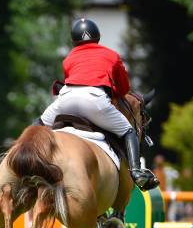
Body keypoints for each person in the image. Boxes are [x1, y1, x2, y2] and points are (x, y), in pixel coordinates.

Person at [38, 18, 158, 191]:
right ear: (97, 36)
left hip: (66, 99)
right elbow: (124, 88)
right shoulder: (111, 55)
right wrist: (114, 95)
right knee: (129, 131)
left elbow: (73, 79)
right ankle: (137, 173)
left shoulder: (69, 58)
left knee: (38, 125)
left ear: (74, 40)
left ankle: (10, 155)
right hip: (95, 100)